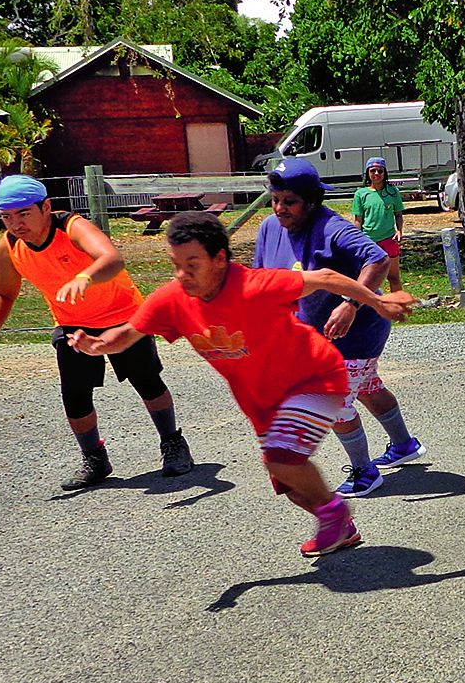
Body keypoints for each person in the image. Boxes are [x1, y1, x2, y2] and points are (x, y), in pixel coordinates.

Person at [73, 211, 415, 557]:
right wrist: (99, 345)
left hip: (312, 378)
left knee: (282, 460)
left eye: (192, 265)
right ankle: (341, 528)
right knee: (291, 485)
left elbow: (326, 277)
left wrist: (377, 301)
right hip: (261, 401)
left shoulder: (254, 286)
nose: (181, 275)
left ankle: (335, 512)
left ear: (219, 259)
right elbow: (129, 332)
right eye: (175, 264)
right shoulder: (172, 300)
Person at [0, 173, 192, 489]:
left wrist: (84, 277)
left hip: (123, 316)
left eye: (24, 214)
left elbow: (112, 259)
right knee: (74, 395)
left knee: (147, 381)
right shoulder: (10, 245)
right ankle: (94, 459)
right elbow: (2, 292)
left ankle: (173, 443)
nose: (16, 224)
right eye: (6, 217)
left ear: (46, 207)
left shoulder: (72, 227)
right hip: (72, 325)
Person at [253, 157, 427, 499]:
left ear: (311, 201)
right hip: (314, 334)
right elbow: (262, 279)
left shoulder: (332, 228)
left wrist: (350, 304)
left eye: (289, 201)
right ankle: (404, 445)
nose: (280, 208)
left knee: (333, 402)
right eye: (275, 199)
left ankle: (364, 472)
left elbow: (378, 259)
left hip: (357, 331)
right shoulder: (270, 229)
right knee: (367, 386)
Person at [351, 156, 406, 292]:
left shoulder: (393, 192)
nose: (376, 174)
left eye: (380, 171)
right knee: (368, 280)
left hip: (389, 239)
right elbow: (358, 220)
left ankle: (397, 303)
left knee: (394, 278)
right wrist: (357, 239)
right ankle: (370, 305)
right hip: (369, 241)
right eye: (373, 171)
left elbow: (398, 214)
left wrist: (399, 231)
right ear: (368, 173)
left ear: (384, 173)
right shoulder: (360, 194)